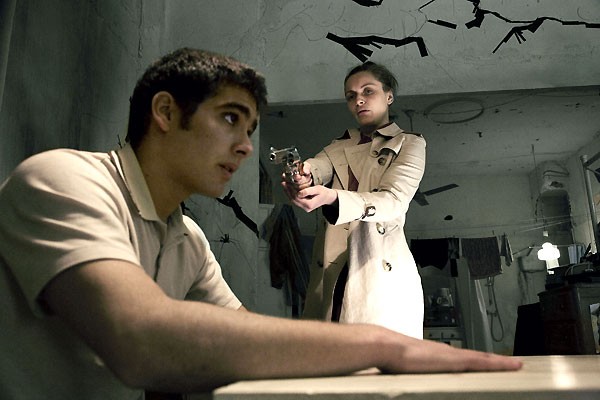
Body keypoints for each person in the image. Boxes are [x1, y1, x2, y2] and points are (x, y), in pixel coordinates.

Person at [0, 48, 521, 400]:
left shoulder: (187, 240)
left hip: (381, 268)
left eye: (250, 129)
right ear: (165, 112)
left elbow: (248, 332)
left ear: (389, 98)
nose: (247, 147)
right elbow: (142, 342)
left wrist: (375, 345)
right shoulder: (63, 179)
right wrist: (380, 345)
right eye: (231, 119)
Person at [282, 61, 425, 338]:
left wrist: (334, 197)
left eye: (368, 91)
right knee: (331, 351)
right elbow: (318, 167)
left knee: (379, 356)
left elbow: (393, 201)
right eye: (351, 96)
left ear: (389, 96)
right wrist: (303, 176)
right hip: (334, 268)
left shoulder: (409, 143)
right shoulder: (338, 146)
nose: (358, 100)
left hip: (380, 269)